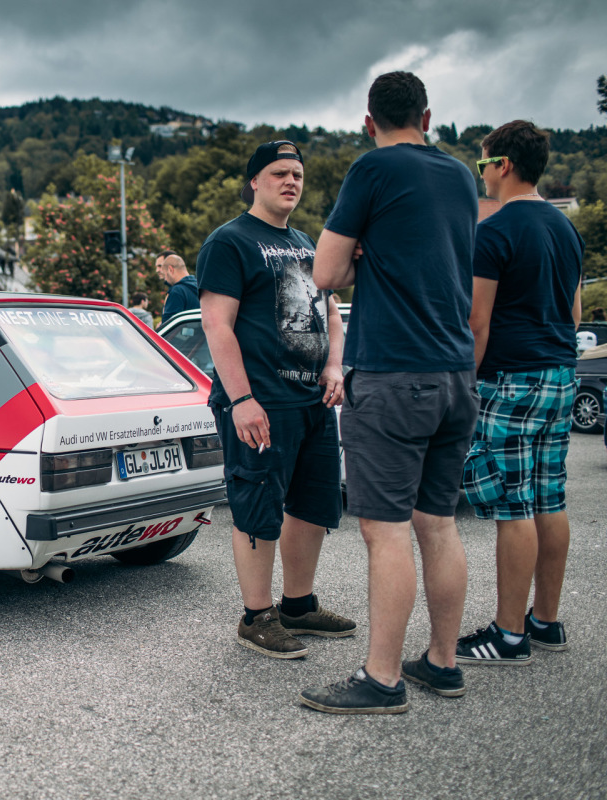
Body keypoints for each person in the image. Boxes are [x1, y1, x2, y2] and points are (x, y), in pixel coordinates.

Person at [304, 71, 479, 714]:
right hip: (456, 375)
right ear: (428, 118)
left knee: (387, 532)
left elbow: (325, 272)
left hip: (394, 374)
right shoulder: (461, 176)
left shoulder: (372, 170)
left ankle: (381, 680)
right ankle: (443, 661)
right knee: (438, 524)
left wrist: (361, 257)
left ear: (368, 122)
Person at [198, 141, 353, 662]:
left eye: (297, 175)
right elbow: (216, 325)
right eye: (279, 173)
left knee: (311, 508)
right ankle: (256, 615)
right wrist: (241, 398)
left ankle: (297, 605)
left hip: (311, 399)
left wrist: (334, 365)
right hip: (261, 403)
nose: (291, 181)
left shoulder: (308, 242)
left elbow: (329, 312)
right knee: (258, 507)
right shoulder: (230, 242)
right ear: (254, 182)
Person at [456, 120, 584, 665]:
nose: (482, 173)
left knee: (514, 505)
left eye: (483, 163)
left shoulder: (496, 230)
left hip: (510, 377)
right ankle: (545, 620)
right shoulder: (565, 228)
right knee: (548, 497)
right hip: (559, 371)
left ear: (503, 164)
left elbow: (477, 321)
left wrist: (465, 386)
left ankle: (508, 635)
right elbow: (575, 313)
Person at [160, 253, 198, 320]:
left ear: (170, 269)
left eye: (164, 274)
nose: (165, 279)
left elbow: (169, 324)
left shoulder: (177, 291)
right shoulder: (200, 287)